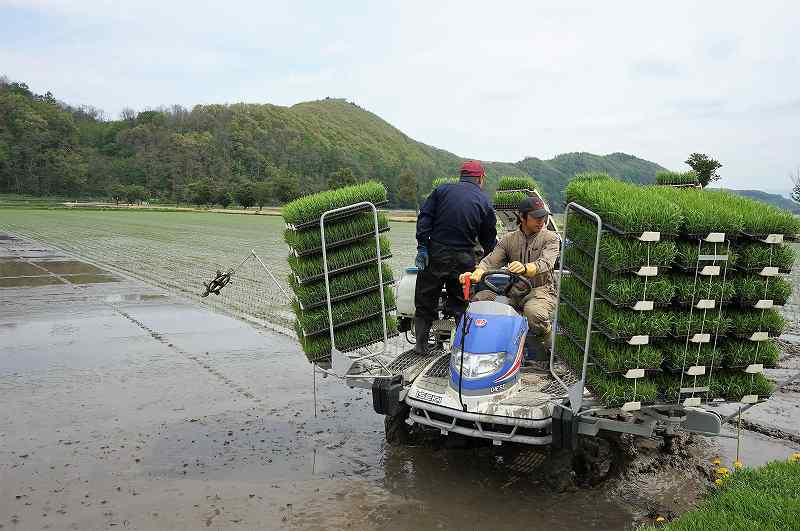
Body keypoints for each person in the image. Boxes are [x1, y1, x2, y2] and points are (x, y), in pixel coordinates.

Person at [413, 160, 497, 354]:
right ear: (480, 178)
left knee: (425, 298)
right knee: (460, 303)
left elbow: (425, 217)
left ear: (461, 176)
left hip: (436, 253)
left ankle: (421, 346)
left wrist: (423, 247)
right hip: (463, 258)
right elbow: (488, 237)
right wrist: (488, 261)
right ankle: (462, 349)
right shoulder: (483, 201)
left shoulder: (441, 190)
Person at [459, 196, 559, 338]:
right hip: (512, 291)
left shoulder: (551, 238)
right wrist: (476, 274)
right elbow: (490, 262)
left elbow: (546, 263)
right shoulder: (508, 239)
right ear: (522, 217)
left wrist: (525, 268)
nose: (541, 220)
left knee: (534, 314)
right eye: (536, 217)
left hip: (541, 292)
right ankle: (485, 346)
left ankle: (548, 345)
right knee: (479, 301)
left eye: (543, 216)